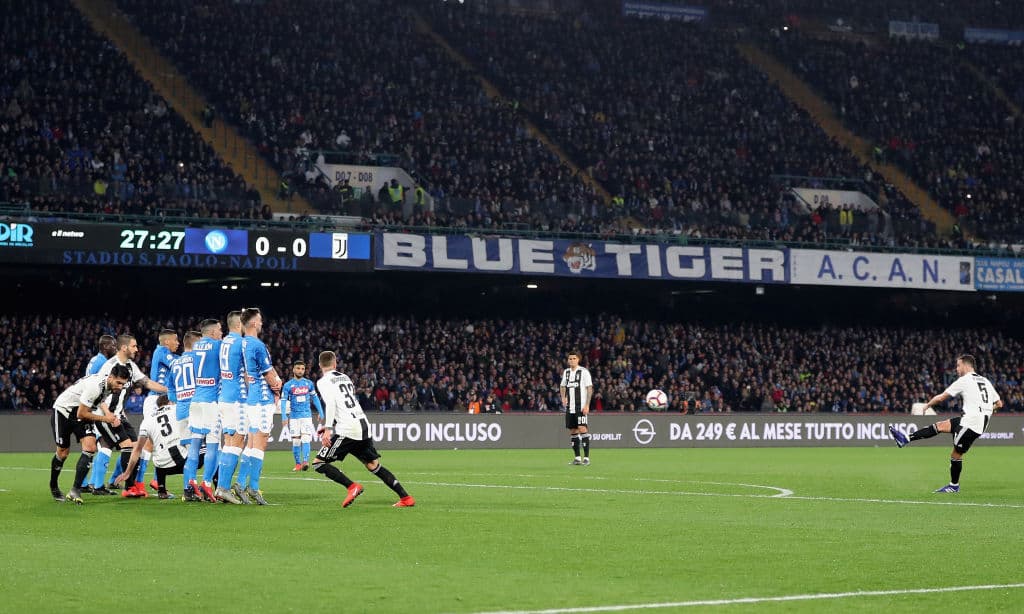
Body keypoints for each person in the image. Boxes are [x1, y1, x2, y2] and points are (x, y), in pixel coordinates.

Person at [314, 350, 415, 508]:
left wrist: (328, 428)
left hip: (348, 430)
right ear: (335, 364)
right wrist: (331, 424)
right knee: (373, 465)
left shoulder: (323, 382)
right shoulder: (345, 377)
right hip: (363, 425)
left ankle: (352, 487)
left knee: (318, 463)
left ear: (320, 365)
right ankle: (406, 497)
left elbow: (333, 404)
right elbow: (345, 403)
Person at [889, 354, 1003, 493]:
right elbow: (999, 404)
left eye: (958, 365)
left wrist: (927, 405)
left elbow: (942, 397)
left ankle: (954, 486)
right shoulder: (985, 380)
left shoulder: (964, 380)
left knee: (956, 455)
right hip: (970, 420)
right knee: (940, 426)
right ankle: (905, 439)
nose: (956, 368)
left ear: (966, 366)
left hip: (971, 424)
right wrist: (986, 410)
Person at [97, 333, 169, 497]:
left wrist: (168, 390)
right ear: (124, 347)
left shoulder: (130, 365)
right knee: (127, 447)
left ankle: (128, 485)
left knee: (135, 447)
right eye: (134, 346)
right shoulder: (110, 366)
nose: (137, 349)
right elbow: (98, 392)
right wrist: (108, 414)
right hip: (107, 413)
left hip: (119, 414)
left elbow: (147, 382)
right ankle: (128, 488)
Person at [49, 365, 131, 504]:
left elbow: (100, 401)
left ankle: (75, 490)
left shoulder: (108, 386)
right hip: (64, 411)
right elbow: (82, 413)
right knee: (63, 453)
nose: (121, 387)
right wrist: (106, 418)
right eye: (118, 383)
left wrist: (107, 413)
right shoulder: (95, 386)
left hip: (80, 414)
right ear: (110, 377)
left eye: (123, 384)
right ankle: (53, 485)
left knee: (90, 447)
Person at [232, 307, 283, 505]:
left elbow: (245, 374)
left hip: (251, 397)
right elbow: (269, 374)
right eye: (260, 320)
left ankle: (240, 483)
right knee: (260, 443)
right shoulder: (256, 344)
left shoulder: (242, 343)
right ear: (253, 323)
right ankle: (253, 487)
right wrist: (277, 387)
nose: (262, 323)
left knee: (252, 442)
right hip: (262, 398)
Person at [114, 395, 186, 500]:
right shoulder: (176, 409)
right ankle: (191, 489)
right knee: (201, 454)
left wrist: (127, 472)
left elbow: (137, 450)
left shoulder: (147, 420)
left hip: (161, 466)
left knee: (157, 453)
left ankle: (161, 489)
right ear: (170, 402)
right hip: (181, 462)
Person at [213, 311, 247, 503]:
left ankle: (221, 486)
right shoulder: (241, 343)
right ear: (239, 324)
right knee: (237, 442)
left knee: (228, 442)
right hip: (237, 398)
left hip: (224, 396)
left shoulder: (224, 341)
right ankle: (223, 487)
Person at [189, 319, 223, 502]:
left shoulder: (195, 346)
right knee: (212, 445)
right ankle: (207, 483)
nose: (221, 333)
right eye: (219, 330)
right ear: (211, 332)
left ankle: (192, 480)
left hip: (196, 400)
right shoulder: (218, 345)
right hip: (211, 402)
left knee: (195, 444)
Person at [80, 334, 117, 493]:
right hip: (95, 406)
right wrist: (107, 410)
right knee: (106, 441)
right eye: (113, 345)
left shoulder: (94, 360)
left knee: (93, 444)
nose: (115, 348)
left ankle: (85, 483)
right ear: (105, 347)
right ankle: (98, 485)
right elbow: (99, 386)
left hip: (90, 403)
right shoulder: (103, 362)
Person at [167, 331, 201, 501]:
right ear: (196, 344)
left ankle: (187, 490)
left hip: (181, 411)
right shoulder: (198, 360)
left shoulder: (174, 363)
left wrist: (179, 400)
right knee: (212, 449)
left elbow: (170, 391)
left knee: (190, 453)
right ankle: (214, 487)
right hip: (197, 409)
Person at [281, 360, 323, 472]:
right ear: (294, 369)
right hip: (294, 416)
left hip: (306, 416)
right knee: (295, 441)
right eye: (298, 368)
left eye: (302, 369)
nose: (300, 371)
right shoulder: (288, 385)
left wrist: (321, 411)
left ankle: (305, 462)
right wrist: (284, 416)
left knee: (305, 437)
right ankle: (298, 464)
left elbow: (315, 398)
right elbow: (283, 401)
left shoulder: (309, 383)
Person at [560, 349, 593, 466]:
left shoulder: (584, 372)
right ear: (568, 360)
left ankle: (587, 458)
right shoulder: (566, 372)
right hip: (570, 407)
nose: (572, 360)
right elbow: (562, 386)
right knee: (573, 431)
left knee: (582, 428)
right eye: (570, 359)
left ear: (578, 359)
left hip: (581, 406)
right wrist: (563, 398)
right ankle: (577, 458)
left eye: (574, 358)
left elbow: (589, 388)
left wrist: (587, 405)